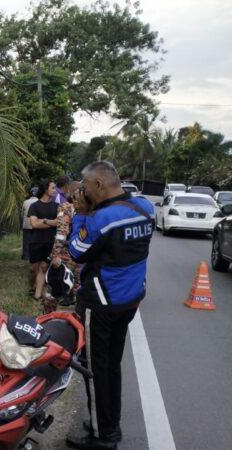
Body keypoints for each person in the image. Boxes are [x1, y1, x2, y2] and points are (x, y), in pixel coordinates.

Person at [65, 161, 154, 450]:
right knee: (112, 366)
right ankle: (108, 423)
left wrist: (80, 215)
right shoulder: (145, 208)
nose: (83, 191)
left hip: (101, 304)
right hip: (129, 300)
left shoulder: (102, 219)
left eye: (86, 186)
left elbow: (77, 252)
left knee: (94, 369)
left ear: (99, 186)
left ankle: (104, 436)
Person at [43, 180, 82, 313]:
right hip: (83, 255)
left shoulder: (66, 207)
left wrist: (55, 255)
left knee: (53, 289)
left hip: (66, 255)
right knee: (79, 290)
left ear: (69, 192)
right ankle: (79, 324)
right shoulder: (89, 210)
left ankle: (47, 319)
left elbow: (61, 233)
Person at [27, 181, 59, 301]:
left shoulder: (57, 206)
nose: (55, 190)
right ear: (46, 189)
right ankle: (32, 286)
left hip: (50, 242)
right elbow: (34, 224)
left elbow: (58, 222)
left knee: (43, 268)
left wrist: (44, 221)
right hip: (36, 241)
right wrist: (51, 222)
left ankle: (38, 294)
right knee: (32, 269)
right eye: (53, 188)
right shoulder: (34, 206)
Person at [21, 186, 40, 261]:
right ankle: (35, 255)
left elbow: (22, 213)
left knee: (26, 241)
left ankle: (26, 256)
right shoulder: (39, 201)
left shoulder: (25, 202)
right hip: (36, 224)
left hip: (26, 225)